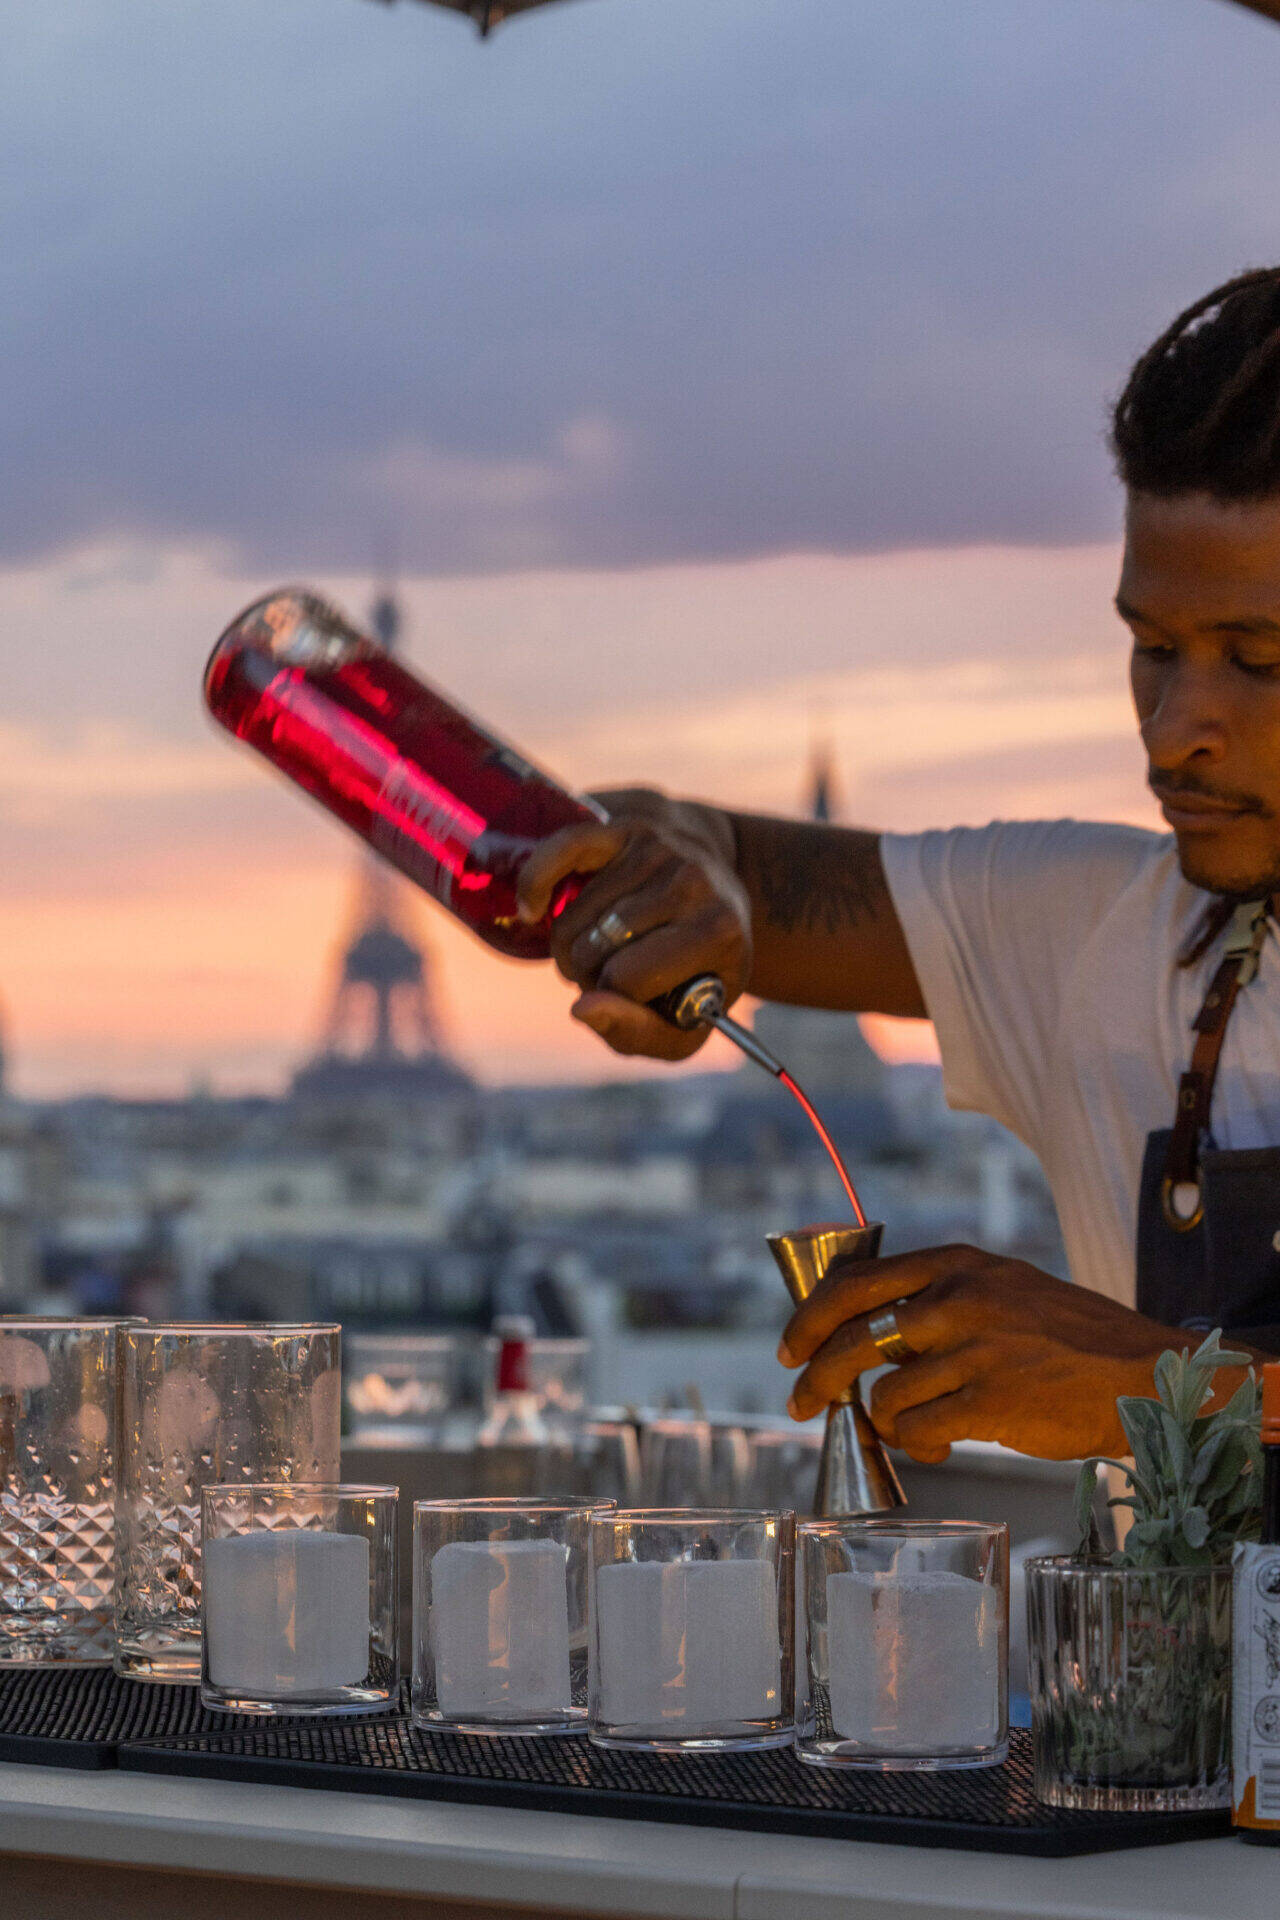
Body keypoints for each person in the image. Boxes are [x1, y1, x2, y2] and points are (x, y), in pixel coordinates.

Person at [516, 265, 1280, 1464]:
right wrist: (685, 891)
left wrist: (1159, 1381)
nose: (1171, 723)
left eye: (1256, 660)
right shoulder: (1098, 937)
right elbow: (684, 842)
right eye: (1150, 646)